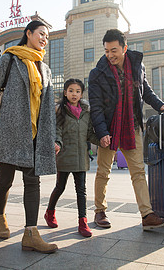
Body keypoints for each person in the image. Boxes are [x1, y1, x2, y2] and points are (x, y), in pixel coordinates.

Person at [0, 20, 58, 254]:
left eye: (47, 36)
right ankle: (0, 216)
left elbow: (48, 105)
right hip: (9, 131)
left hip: (35, 133)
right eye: (41, 34)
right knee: (5, 180)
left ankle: (31, 234)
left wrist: (52, 136)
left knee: (33, 182)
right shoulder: (9, 59)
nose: (44, 38)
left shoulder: (44, 68)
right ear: (28, 34)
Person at [88, 28, 164, 231]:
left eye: (114, 50)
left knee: (138, 172)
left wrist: (160, 105)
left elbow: (146, 91)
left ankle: (147, 214)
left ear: (125, 48)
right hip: (108, 128)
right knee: (103, 172)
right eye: (107, 51)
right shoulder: (97, 73)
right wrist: (102, 132)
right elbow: (96, 106)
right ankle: (100, 210)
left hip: (132, 125)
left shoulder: (136, 66)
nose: (110, 55)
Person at [44, 79, 99, 237]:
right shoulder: (60, 111)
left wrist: (102, 140)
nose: (74, 94)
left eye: (77, 91)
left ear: (81, 94)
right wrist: (57, 144)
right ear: (65, 92)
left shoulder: (86, 112)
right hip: (64, 156)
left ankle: (83, 222)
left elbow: (89, 134)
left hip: (81, 157)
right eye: (71, 90)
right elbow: (57, 131)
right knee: (60, 187)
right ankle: (50, 212)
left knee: (81, 191)